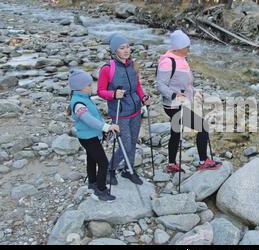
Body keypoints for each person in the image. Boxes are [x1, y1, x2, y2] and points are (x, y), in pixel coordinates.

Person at [156, 30, 222, 173]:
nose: (189, 49)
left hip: (180, 103)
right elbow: (160, 85)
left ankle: (171, 164)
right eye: (187, 47)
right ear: (178, 47)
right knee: (203, 127)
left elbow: (185, 85)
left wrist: (195, 92)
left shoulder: (181, 60)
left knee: (176, 132)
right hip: (173, 105)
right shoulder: (168, 62)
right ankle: (203, 161)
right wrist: (174, 96)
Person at [97, 33, 150, 185]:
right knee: (125, 145)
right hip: (120, 113)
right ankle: (109, 169)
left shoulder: (133, 65)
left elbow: (137, 86)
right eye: (122, 48)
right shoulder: (107, 69)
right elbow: (100, 91)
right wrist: (113, 94)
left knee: (133, 142)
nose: (126, 50)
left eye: (127, 47)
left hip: (135, 110)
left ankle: (128, 169)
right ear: (115, 51)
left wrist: (143, 97)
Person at [68, 69, 119, 202]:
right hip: (88, 138)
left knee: (91, 159)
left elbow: (95, 115)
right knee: (103, 163)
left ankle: (92, 182)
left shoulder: (84, 98)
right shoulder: (78, 103)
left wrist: (104, 126)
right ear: (80, 88)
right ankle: (100, 191)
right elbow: (87, 119)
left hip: (91, 136)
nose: (92, 87)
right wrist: (106, 127)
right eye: (89, 85)